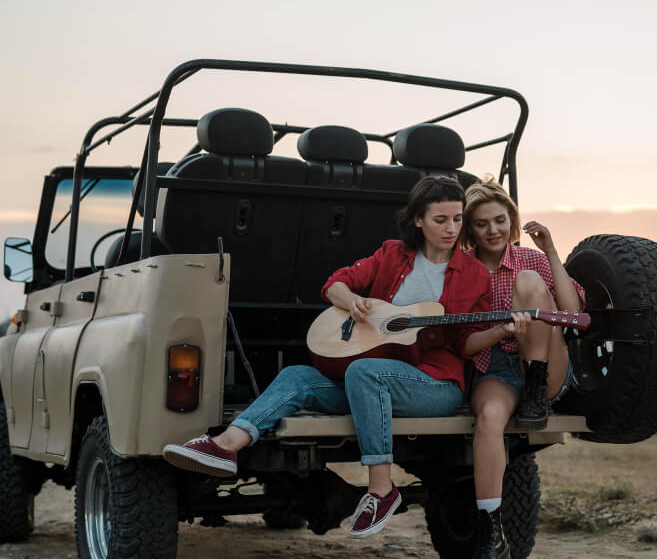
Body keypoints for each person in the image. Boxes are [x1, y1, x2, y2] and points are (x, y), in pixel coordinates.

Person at [163, 175, 490, 539]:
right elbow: (334, 283)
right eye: (440, 219)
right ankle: (226, 445)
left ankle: (382, 490)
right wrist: (353, 302)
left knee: (366, 371)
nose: (451, 229)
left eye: (457, 219)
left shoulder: (474, 273)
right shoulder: (393, 254)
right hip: (369, 383)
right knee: (298, 376)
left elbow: (466, 344)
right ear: (418, 219)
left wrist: (501, 331)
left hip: (433, 384)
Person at [460, 176, 586, 559]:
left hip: (544, 361)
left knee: (530, 285)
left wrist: (550, 251)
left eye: (500, 220)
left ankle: (535, 393)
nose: (493, 230)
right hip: (495, 363)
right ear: (470, 229)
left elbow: (570, 313)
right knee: (490, 418)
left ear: (511, 221)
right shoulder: (462, 270)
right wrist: (501, 331)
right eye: (482, 223)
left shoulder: (531, 261)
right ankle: (489, 534)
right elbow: (464, 345)